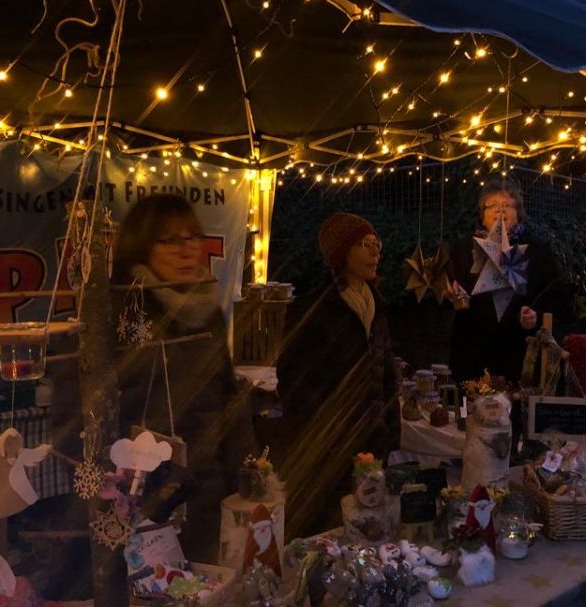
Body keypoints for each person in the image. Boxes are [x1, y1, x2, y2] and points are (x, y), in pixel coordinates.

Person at [111, 193, 255, 563]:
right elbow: (80, 406)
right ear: (141, 247)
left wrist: (248, 473)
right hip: (139, 498)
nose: (186, 249)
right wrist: (108, 488)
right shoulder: (119, 312)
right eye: (170, 240)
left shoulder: (206, 310)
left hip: (206, 492)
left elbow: (227, 397)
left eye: (192, 237)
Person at [275, 212, 401, 540]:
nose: (375, 252)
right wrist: (324, 434)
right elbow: (294, 381)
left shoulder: (378, 306)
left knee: (368, 522)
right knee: (329, 530)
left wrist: (390, 428)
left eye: (377, 244)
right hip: (329, 448)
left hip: (372, 442)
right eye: (364, 244)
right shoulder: (313, 308)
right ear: (341, 253)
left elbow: (387, 371)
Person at [449, 180, 567, 387]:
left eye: (507, 205)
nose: (499, 211)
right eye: (492, 205)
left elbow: (557, 296)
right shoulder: (463, 249)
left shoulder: (537, 251)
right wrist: (454, 295)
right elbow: (448, 287)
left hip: (519, 355)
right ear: (482, 214)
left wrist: (536, 315)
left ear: (518, 212)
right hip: (473, 353)